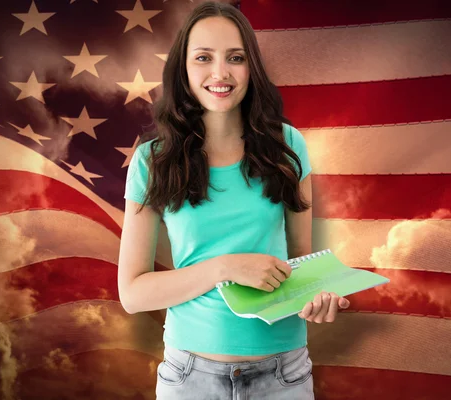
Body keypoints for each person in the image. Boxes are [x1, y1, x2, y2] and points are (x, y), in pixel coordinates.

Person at [117, 2, 350, 398]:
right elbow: (133, 294)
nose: (220, 73)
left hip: (284, 375)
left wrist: (317, 296)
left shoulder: (287, 147)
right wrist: (224, 267)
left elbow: (300, 265)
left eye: (235, 58)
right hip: (189, 377)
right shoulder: (153, 161)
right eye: (203, 58)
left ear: (251, 68)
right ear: (183, 69)